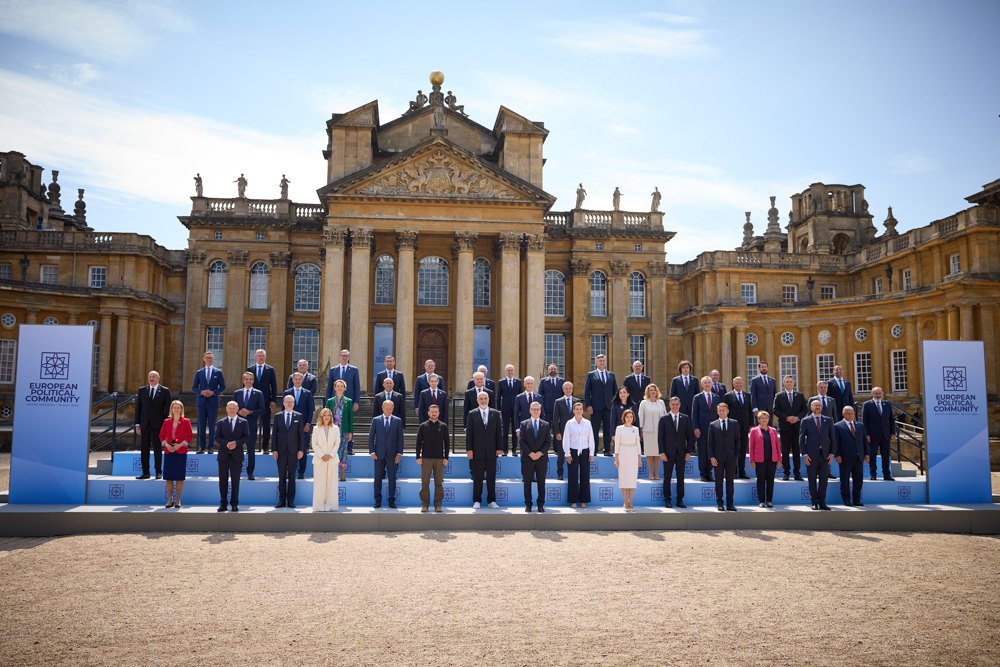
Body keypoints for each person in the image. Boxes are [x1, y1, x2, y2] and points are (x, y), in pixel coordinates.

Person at [466, 391, 503, 509]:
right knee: (477, 477)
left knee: (491, 478)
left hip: (492, 451)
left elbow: (499, 433)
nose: (483, 401)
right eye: (481, 399)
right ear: (477, 401)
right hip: (477, 452)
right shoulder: (472, 414)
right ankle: (477, 500)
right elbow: (469, 434)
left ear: (488, 399)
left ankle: (491, 500)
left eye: (485, 398)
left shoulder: (496, 414)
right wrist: (469, 449)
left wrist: (500, 448)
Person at [657, 396, 694, 508]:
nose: (675, 406)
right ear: (670, 405)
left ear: (680, 405)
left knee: (680, 477)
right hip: (667, 453)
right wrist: (661, 452)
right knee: (667, 477)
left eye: (677, 404)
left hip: (682, 453)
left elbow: (690, 437)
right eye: (673, 404)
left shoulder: (686, 418)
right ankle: (667, 500)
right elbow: (660, 437)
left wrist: (688, 452)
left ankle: (679, 500)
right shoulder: (664, 419)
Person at [135, 370, 171, 479]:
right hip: (144, 425)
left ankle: (158, 472)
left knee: (157, 449)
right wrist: (137, 424)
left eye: (154, 377)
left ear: (158, 378)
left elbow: (167, 410)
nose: (151, 378)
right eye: (150, 376)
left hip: (158, 425)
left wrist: (165, 426)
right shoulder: (142, 391)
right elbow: (138, 409)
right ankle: (145, 472)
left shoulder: (165, 391)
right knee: (144, 449)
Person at [799, 398, 835, 510]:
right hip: (811, 456)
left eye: (819, 405)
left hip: (825, 456)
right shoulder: (805, 420)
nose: (817, 407)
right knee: (812, 480)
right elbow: (801, 439)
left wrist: (832, 453)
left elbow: (833, 438)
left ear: (822, 407)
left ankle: (822, 502)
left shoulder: (828, 420)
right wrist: (804, 454)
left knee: (824, 481)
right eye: (815, 405)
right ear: (811, 407)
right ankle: (814, 502)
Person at [272, 394, 305, 508]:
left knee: (292, 476)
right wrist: (274, 450)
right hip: (280, 452)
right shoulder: (278, 416)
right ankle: (281, 500)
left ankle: (291, 500)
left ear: (294, 403)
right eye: (287, 401)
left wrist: (301, 450)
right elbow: (274, 435)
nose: (289, 403)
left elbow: (301, 435)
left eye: (291, 402)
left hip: (293, 451)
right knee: (281, 476)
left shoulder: (299, 416)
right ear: (284, 403)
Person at [369, 399, 404, 509]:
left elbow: (401, 439)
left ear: (393, 409)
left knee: (392, 478)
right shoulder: (376, 420)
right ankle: (377, 501)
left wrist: (399, 453)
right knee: (378, 478)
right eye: (386, 408)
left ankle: (391, 501)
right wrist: (372, 451)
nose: (388, 410)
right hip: (378, 455)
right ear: (382, 408)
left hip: (393, 455)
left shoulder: (398, 421)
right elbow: (371, 437)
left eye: (390, 408)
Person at [215, 401, 249, 512]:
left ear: (237, 409)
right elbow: (217, 438)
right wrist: (226, 444)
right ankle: (223, 503)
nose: (232, 410)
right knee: (223, 481)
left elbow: (246, 437)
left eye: (234, 408)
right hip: (223, 456)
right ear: (226, 409)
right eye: (230, 408)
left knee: (235, 481)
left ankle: (234, 503)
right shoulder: (221, 422)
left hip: (237, 456)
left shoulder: (243, 422)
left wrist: (236, 443)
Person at [772, 375, 807, 481]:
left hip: (797, 427)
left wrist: (797, 418)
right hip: (784, 427)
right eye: (787, 381)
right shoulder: (779, 396)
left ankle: (797, 473)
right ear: (783, 383)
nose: (789, 383)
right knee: (785, 451)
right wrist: (786, 417)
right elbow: (775, 410)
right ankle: (786, 473)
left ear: (793, 383)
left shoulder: (800, 395)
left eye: (791, 381)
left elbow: (805, 410)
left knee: (797, 451)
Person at [415, 403, 449, 512]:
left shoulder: (443, 426)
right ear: (428, 413)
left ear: (438, 413)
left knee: (438, 483)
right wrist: (418, 456)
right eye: (432, 412)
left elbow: (447, 443)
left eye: (436, 412)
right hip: (426, 459)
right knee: (425, 482)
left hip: (439, 459)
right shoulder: (423, 426)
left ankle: (438, 504)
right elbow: (418, 442)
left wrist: (446, 457)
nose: (434, 413)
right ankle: (425, 504)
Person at [159, 399, 191, 508]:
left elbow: (190, 436)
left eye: (178, 407)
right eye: (174, 407)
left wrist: (181, 444)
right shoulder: (166, 422)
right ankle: (169, 499)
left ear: (181, 409)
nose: (176, 409)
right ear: (171, 409)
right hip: (169, 451)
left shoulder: (186, 421)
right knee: (169, 477)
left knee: (179, 477)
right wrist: (167, 445)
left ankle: (177, 500)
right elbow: (161, 436)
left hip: (181, 452)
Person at [233, 371, 266, 480]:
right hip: (238, 425)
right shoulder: (237, 393)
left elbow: (262, 409)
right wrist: (238, 412)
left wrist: (251, 412)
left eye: (250, 379)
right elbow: (232, 408)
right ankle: (236, 471)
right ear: (243, 381)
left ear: (253, 381)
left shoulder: (258, 393)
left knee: (251, 450)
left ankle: (250, 472)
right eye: (246, 379)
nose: (248, 381)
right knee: (237, 449)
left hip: (251, 425)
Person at [707, 402, 740, 511]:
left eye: (723, 410)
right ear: (717, 412)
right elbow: (710, 443)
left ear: (727, 411)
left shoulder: (734, 423)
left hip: (731, 458)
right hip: (717, 458)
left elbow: (737, 441)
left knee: (730, 481)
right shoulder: (713, 424)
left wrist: (736, 455)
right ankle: (719, 503)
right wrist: (712, 457)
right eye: (720, 410)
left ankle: (730, 504)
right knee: (719, 482)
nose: (721, 412)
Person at [834, 405, 869, 506]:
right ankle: (846, 500)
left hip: (859, 457)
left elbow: (864, 442)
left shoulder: (860, 425)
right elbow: (836, 442)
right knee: (844, 480)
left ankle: (856, 500)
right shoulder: (837, 426)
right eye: (848, 413)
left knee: (858, 480)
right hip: (845, 458)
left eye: (852, 413)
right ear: (843, 414)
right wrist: (837, 455)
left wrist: (866, 454)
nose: (850, 415)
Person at [563, 401, 596, 508]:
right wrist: (567, 453)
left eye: (580, 409)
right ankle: (573, 500)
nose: (578, 411)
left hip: (585, 452)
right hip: (572, 451)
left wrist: (591, 452)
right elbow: (566, 439)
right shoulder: (569, 423)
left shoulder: (587, 423)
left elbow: (591, 438)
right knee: (573, 476)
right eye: (576, 409)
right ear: (573, 411)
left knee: (585, 476)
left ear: (583, 411)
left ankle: (584, 500)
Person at [519, 401, 550, 512]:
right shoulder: (523, 424)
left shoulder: (545, 424)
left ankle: (540, 504)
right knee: (527, 482)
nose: (536, 411)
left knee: (541, 482)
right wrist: (531, 453)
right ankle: (528, 504)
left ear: (540, 411)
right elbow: (522, 441)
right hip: (527, 458)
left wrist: (540, 453)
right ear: (530, 411)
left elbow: (548, 442)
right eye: (534, 409)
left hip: (541, 459)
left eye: (538, 409)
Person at [584, 354, 618, 456]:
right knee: (594, 429)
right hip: (595, 407)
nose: (602, 362)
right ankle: (593, 450)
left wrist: (615, 405)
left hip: (609, 407)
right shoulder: (591, 375)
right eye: (600, 361)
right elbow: (586, 391)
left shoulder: (611, 375)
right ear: (596, 363)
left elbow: (615, 392)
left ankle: (607, 450)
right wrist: (588, 405)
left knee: (608, 429)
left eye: (603, 361)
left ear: (605, 362)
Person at [192, 351, 225, 454]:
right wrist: (201, 392)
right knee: (201, 425)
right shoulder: (199, 372)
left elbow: (223, 387)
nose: (209, 359)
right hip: (201, 402)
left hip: (213, 402)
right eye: (207, 358)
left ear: (213, 359)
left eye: (210, 358)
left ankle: (211, 447)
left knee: (212, 425)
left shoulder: (218, 372)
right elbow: (194, 387)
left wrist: (213, 392)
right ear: (204, 359)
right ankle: (201, 447)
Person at [691, 376, 723, 482]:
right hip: (702, 429)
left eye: (709, 382)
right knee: (702, 452)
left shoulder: (717, 397)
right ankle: (703, 474)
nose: (708, 384)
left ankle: (709, 473)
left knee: (712, 452)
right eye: (705, 383)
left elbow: (719, 414)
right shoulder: (697, 397)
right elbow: (694, 414)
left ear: (712, 384)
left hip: (714, 429)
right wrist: (695, 427)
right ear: (702, 384)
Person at [861, 387, 897, 481]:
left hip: (885, 434)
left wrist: (893, 432)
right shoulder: (867, 405)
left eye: (879, 393)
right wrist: (866, 434)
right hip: (872, 435)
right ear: (872, 394)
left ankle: (887, 475)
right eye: (876, 393)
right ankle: (873, 474)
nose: (878, 395)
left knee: (886, 455)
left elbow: (891, 420)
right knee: (872, 455)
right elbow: (864, 421)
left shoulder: (887, 404)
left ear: (882, 394)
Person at [284, 372, 314, 479]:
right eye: (295, 379)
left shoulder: (307, 393)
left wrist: (308, 423)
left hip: (303, 427)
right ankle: (290, 472)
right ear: (292, 380)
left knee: (303, 449)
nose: (297, 381)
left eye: (299, 379)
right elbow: (284, 410)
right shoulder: (287, 392)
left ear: (302, 381)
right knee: (289, 450)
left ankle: (301, 472)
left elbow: (311, 410)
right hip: (290, 427)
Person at [247, 349, 278, 454]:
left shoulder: (270, 370)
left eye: (262, 356)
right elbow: (246, 385)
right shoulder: (250, 369)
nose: (261, 357)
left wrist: (273, 400)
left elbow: (273, 386)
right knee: (251, 425)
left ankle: (265, 447)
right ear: (255, 357)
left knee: (266, 425)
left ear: (265, 357)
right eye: (259, 355)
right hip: (252, 402)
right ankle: (251, 447)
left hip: (266, 401)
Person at [749, 410, 781, 508]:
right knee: (761, 480)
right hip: (759, 460)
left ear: (768, 419)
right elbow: (751, 446)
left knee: (770, 480)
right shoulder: (754, 431)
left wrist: (779, 459)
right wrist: (752, 460)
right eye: (762, 418)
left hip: (772, 459)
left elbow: (777, 446)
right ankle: (762, 501)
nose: (764, 419)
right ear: (758, 419)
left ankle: (769, 501)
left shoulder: (773, 430)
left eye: (766, 418)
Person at [311, 407, 341, 512]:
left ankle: (331, 506)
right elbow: (314, 444)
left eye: (329, 415)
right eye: (325, 415)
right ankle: (318, 506)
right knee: (319, 483)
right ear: (321, 416)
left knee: (332, 483)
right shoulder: (316, 429)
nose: (327, 417)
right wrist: (322, 455)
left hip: (332, 459)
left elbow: (337, 443)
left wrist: (330, 455)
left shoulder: (336, 428)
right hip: (320, 460)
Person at [723, 376, 753, 479]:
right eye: (737, 383)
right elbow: (725, 412)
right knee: (732, 449)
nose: (739, 384)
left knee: (743, 450)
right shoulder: (728, 396)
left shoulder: (747, 395)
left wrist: (751, 425)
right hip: (732, 427)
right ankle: (733, 472)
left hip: (744, 427)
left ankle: (741, 472)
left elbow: (750, 411)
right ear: (733, 384)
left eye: (740, 382)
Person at [326, 350, 361, 438]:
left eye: (346, 356)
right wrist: (327, 403)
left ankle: (349, 446)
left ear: (348, 358)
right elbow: (329, 387)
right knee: (333, 422)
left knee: (348, 421)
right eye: (343, 356)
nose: (344, 357)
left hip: (348, 402)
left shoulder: (354, 370)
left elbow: (357, 387)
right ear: (339, 357)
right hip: (335, 401)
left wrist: (356, 402)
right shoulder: (333, 370)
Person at [809, 380, 839, 480]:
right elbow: (809, 415)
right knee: (817, 450)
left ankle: (827, 471)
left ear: (827, 388)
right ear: (818, 388)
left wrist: (835, 428)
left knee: (827, 450)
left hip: (828, 429)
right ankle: (817, 471)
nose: (823, 389)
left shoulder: (832, 400)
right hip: (816, 428)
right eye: (821, 387)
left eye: (824, 387)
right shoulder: (812, 399)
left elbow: (835, 415)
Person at [325, 379, 354, 482]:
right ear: (334, 388)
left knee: (343, 451)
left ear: (344, 388)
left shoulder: (349, 401)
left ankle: (342, 473)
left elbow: (351, 418)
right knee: (332, 450)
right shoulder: (330, 401)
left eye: (342, 386)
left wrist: (351, 432)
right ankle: (332, 473)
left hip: (344, 430)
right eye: (338, 386)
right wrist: (326, 429)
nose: (340, 388)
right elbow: (325, 416)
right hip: (332, 430)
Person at [638, 384, 667, 481]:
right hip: (648, 431)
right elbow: (641, 416)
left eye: (654, 390)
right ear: (648, 392)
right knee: (650, 452)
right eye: (651, 390)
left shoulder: (661, 402)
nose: (653, 392)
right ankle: (651, 473)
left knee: (658, 452)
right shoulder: (643, 403)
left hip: (659, 431)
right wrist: (640, 430)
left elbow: (664, 416)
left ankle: (656, 473)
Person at [614, 409, 641, 510]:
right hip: (623, 454)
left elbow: (638, 444)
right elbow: (617, 444)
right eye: (627, 417)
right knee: (624, 478)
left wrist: (639, 458)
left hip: (633, 454)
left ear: (633, 418)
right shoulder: (619, 428)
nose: (629, 419)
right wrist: (616, 459)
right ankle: (625, 501)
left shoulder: (636, 429)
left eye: (630, 417)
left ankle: (631, 501)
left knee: (632, 479)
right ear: (624, 418)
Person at [550, 381, 577, 481]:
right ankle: (560, 474)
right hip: (562, 432)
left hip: (575, 433)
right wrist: (557, 432)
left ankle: (573, 474)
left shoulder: (577, 401)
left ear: (572, 390)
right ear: (563, 390)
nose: (568, 390)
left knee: (574, 454)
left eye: (570, 388)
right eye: (566, 388)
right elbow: (555, 418)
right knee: (561, 454)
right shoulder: (558, 401)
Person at [497, 364, 523, 456]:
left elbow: (521, 396)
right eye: (508, 370)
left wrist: (521, 409)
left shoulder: (518, 382)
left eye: (511, 370)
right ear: (506, 371)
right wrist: (499, 409)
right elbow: (499, 396)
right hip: (505, 410)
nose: (510, 372)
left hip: (516, 410)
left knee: (515, 430)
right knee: (505, 431)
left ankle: (514, 450)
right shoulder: (501, 382)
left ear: (514, 371)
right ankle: (505, 450)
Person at [513, 376, 539, 455]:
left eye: (531, 383)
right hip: (523, 427)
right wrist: (517, 429)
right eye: (528, 383)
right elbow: (516, 414)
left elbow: (542, 414)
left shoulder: (539, 397)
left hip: (536, 427)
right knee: (524, 450)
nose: (530, 385)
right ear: (524, 384)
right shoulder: (519, 397)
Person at [610, 386, 638, 458]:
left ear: (628, 394)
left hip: (631, 433)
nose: (622, 394)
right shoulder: (615, 405)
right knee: (620, 455)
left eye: (624, 392)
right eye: (620, 393)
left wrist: (638, 433)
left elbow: (636, 420)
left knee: (631, 454)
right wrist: (613, 434)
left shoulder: (633, 405)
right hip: (619, 433)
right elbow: (613, 420)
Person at [749, 360, 777, 426]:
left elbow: (775, 395)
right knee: (759, 428)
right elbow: (753, 395)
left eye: (765, 367)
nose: (764, 368)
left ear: (767, 368)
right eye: (762, 367)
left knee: (769, 427)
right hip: (759, 409)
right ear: (759, 368)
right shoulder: (755, 380)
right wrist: (755, 408)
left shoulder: (772, 380)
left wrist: (775, 407)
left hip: (770, 409)